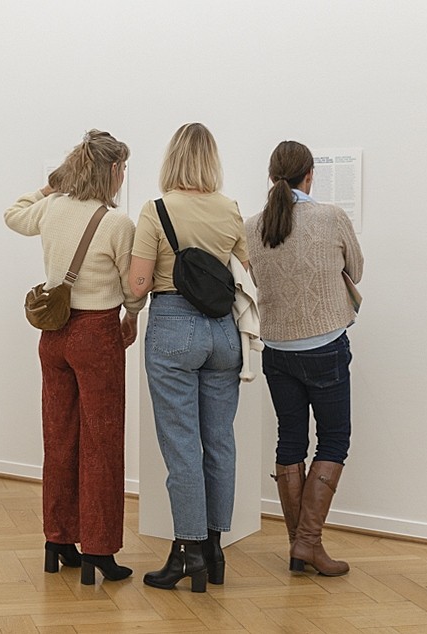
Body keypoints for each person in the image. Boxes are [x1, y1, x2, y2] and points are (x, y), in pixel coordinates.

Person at [4, 129, 145, 585]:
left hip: (53, 337)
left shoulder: (52, 208)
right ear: (110, 170)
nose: (124, 175)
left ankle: (57, 541)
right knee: (102, 442)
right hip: (96, 334)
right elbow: (131, 287)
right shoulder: (117, 222)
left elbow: (13, 215)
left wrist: (51, 185)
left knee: (59, 436)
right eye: (121, 167)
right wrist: (135, 314)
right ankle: (98, 552)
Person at [128, 122, 249, 591]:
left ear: (172, 158)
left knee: (182, 447)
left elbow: (139, 285)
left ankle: (187, 552)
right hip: (223, 334)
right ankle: (216, 550)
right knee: (220, 442)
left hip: (174, 326)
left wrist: (129, 311)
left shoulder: (156, 210)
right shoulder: (230, 208)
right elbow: (244, 271)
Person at [244, 140, 363, 577]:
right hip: (326, 347)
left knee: (291, 440)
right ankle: (308, 544)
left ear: (271, 176)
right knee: (334, 439)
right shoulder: (331, 216)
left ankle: (299, 547)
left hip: (277, 350)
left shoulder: (251, 226)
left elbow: (255, 278)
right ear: (310, 175)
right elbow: (357, 267)